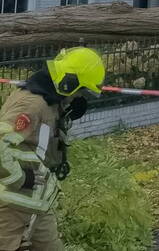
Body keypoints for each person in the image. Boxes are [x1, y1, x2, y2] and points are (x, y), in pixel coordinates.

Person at [0, 47, 104, 251]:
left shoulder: (50, 102)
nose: (79, 97)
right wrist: (23, 178)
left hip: (37, 202)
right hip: (11, 205)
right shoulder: (32, 105)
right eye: (81, 91)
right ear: (69, 82)